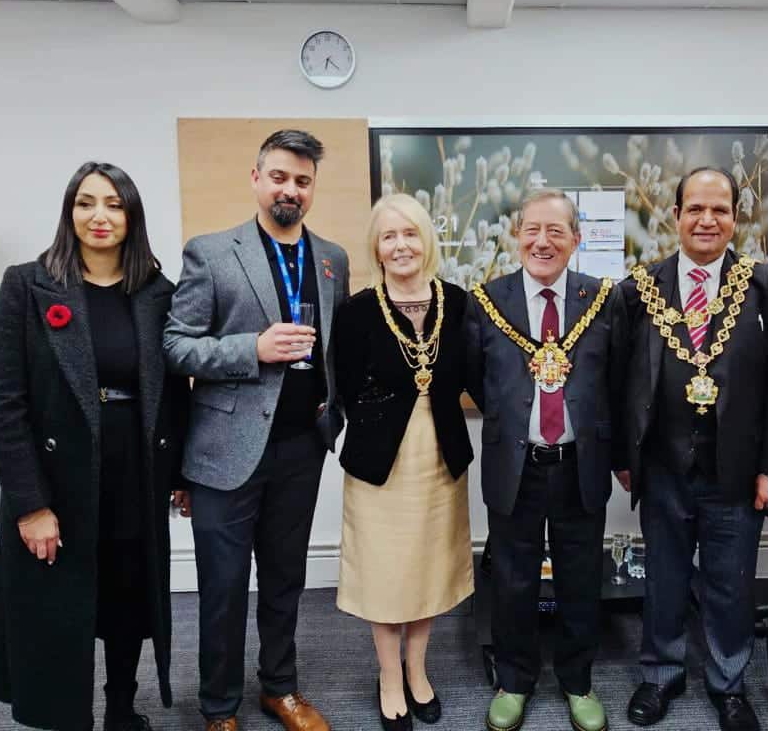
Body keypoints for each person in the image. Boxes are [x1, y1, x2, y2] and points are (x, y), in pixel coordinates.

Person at [0, 162, 190, 731]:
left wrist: (181, 476)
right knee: (60, 607)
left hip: (135, 474)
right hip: (59, 479)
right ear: (69, 212)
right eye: (86, 203)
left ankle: (123, 710)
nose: (100, 216)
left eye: (115, 204)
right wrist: (30, 503)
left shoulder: (157, 292)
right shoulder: (27, 285)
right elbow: (2, 402)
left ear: (132, 216)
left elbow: (175, 390)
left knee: (127, 603)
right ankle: (63, 716)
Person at [163, 129, 349, 731]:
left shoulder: (332, 257)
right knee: (222, 588)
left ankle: (280, 688)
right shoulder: (212, 252)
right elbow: (175, 346)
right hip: (224, 452)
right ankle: (219, 708)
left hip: (301, 447)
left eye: (302, 180)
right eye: (279, 176)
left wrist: (332, 414)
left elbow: (336, 350)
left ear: (312, 187)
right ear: (256, 178)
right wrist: (254, 348)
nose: (289, 189)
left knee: (285, 579)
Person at [617, 167, 768, 731]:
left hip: (736, 471)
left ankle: (728, 684)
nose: (707, 219)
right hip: (665, 467)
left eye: (719, 210)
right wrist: (626, 457)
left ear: (735, 220)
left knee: (731, 582)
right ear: (675, 217)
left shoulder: (763, 283)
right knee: (664, 579)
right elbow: (622, 379)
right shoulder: (640, 287)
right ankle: (660, 676)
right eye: (695, 208)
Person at [464, 188, 628, 731]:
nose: (543, 241)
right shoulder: (486, 301)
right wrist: (519, 421)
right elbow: (476, 378)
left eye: (556, 231)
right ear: (517, 235)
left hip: (580, 463)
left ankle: (578, 681)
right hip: (517, 467)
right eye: (533, 229)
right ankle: (514, 679)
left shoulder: (603, 300)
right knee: (512, 580)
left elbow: (618, 381)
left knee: (582, 578)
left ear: (576, 239)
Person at [333, 193, 474, 731]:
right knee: (386, 574)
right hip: (380, 462)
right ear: (376, 246)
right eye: (388, 236)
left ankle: (419, 670)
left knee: (428, 569)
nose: (400, 245)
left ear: (427, 240)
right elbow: (346, 387)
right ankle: (389, 675)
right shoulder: (356, 311)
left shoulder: (458, 303)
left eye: (409, 233)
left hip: (441, 457)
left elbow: (472, 374)